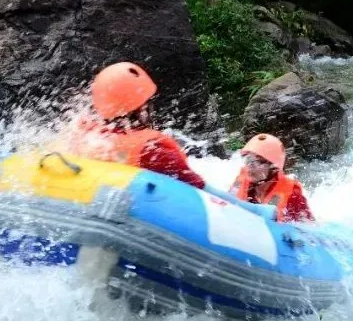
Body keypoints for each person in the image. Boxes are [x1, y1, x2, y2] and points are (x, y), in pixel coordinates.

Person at [66, 62, 206, 189]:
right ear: (142, 108)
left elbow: (120, 155)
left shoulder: (87, 135)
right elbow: (200, 188)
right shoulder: (154, 152)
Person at [230, 134, 314, 223]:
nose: (250, 166)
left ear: (273, 168)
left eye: (256, 162)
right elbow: (224, 206)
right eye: (248, 160)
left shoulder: (293, 195)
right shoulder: (242, 180)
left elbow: (308, 231)